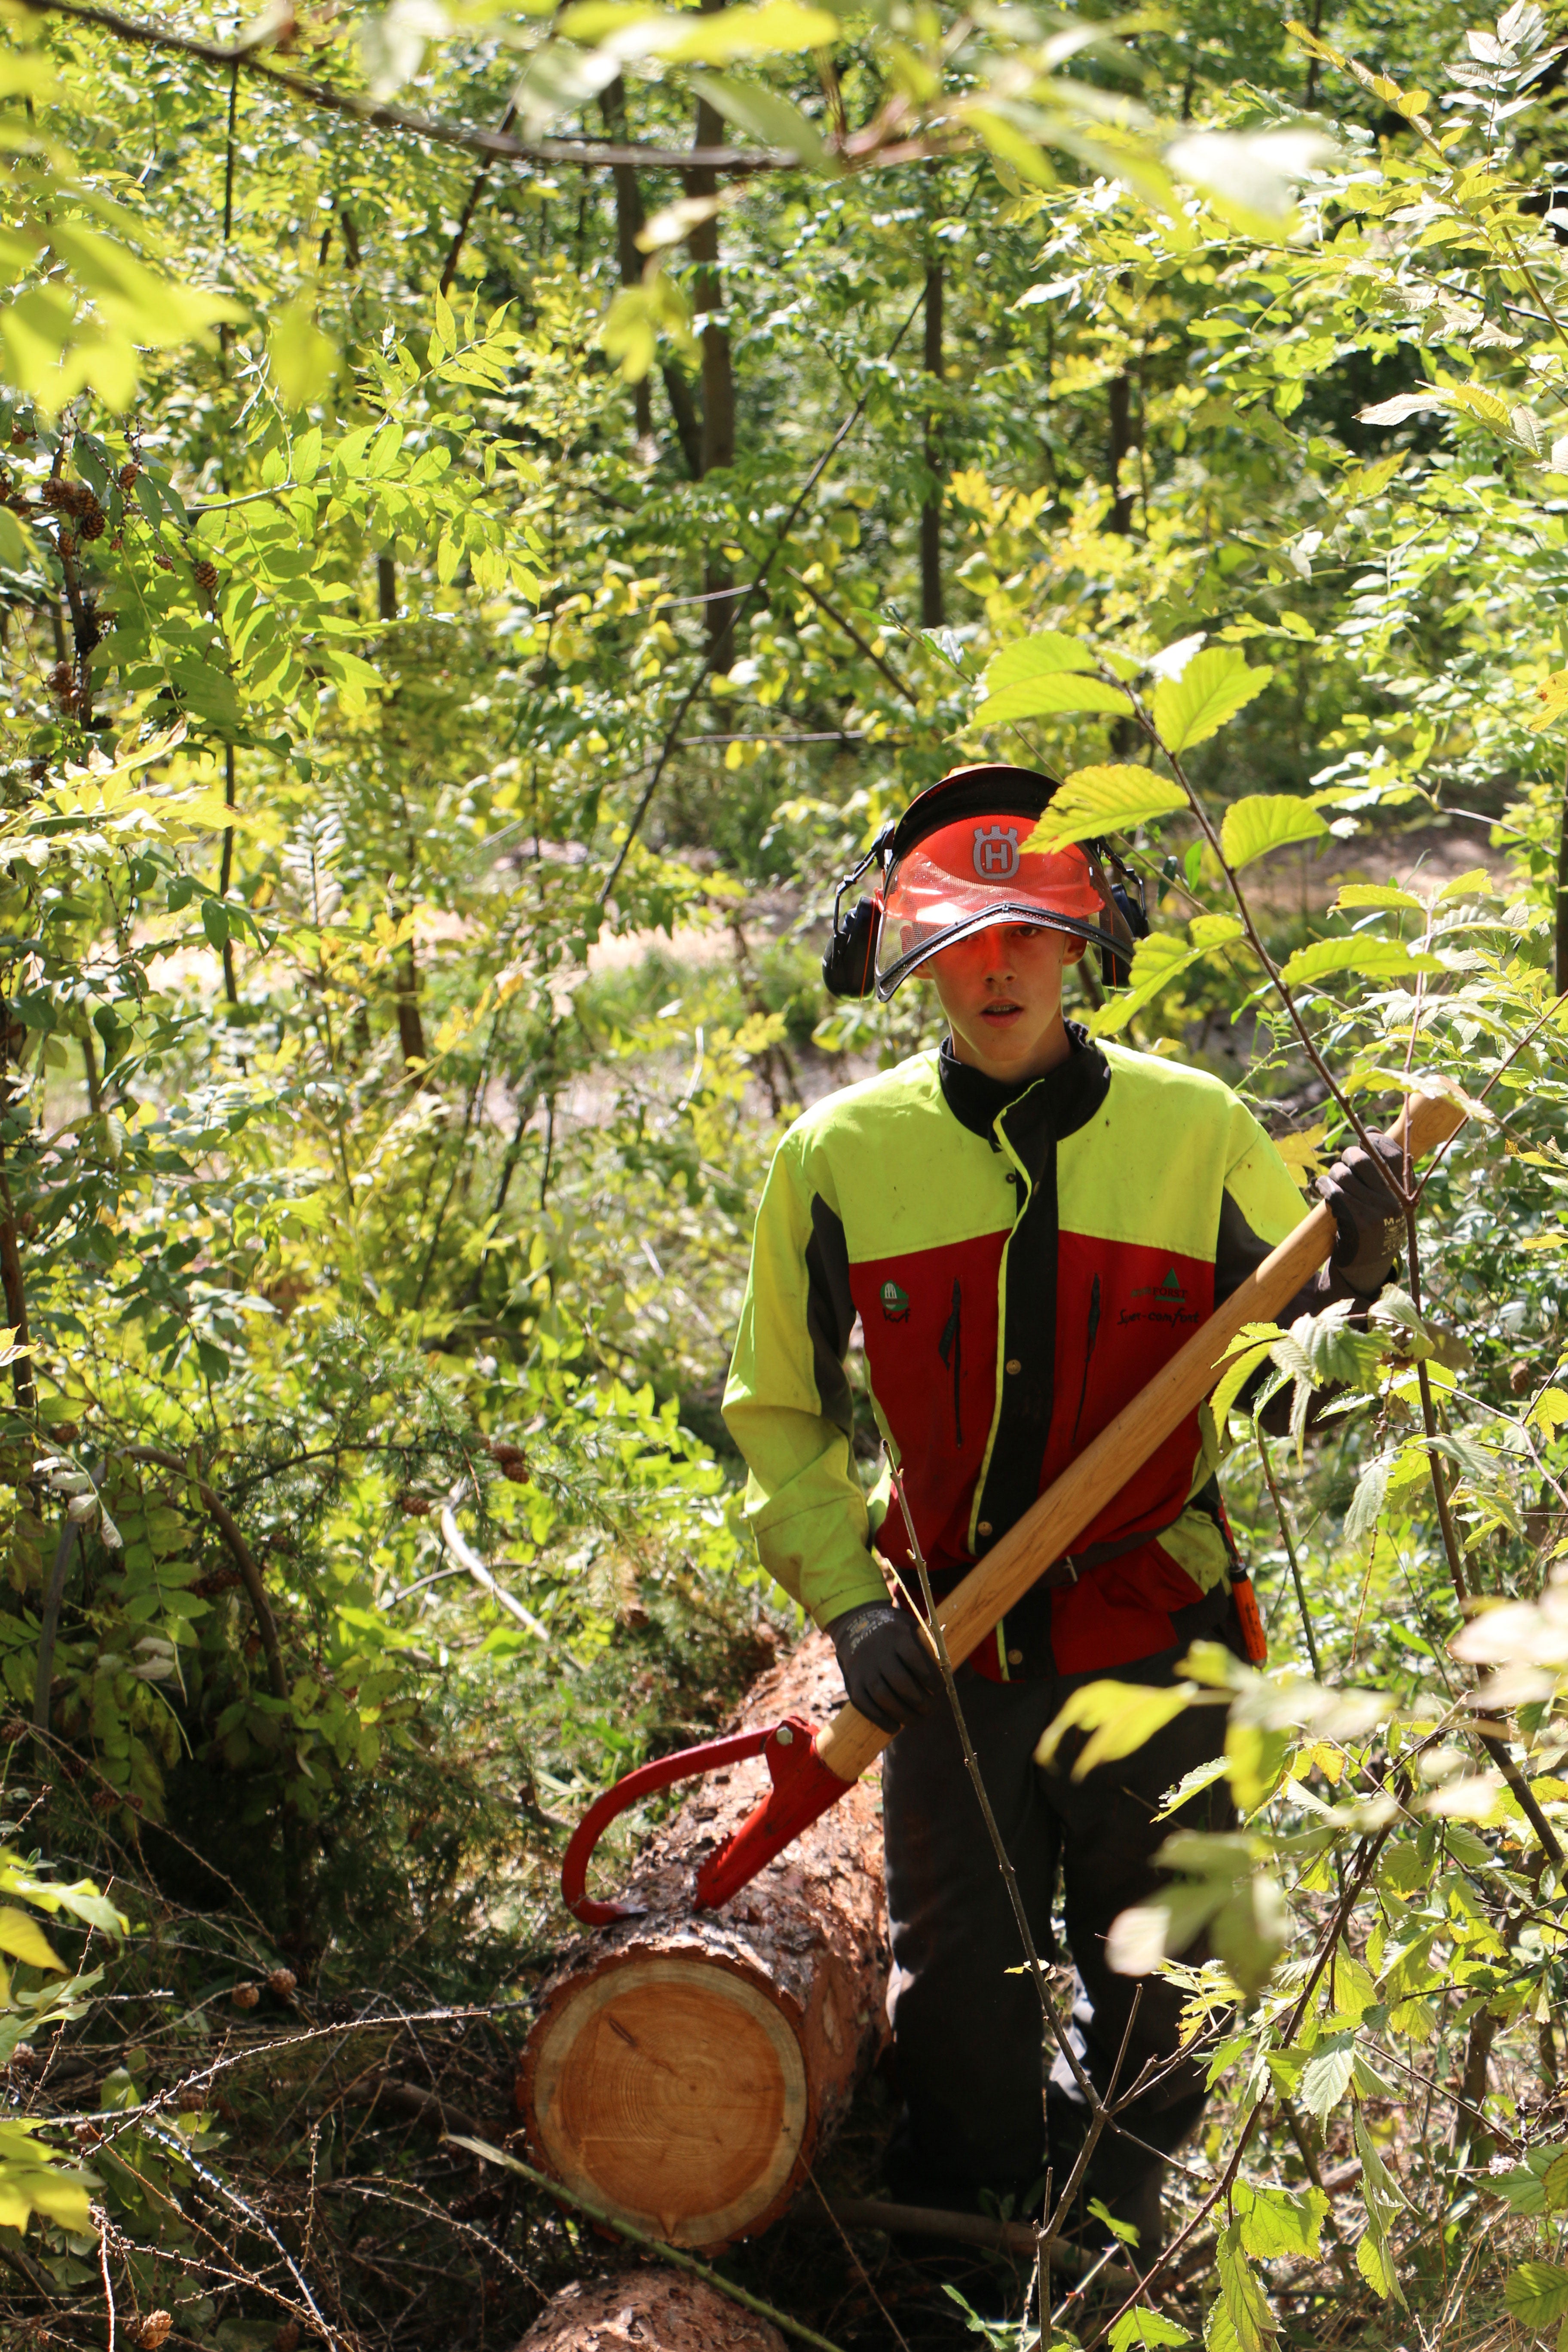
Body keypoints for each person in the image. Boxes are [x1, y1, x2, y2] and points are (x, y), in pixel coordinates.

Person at [721, 764, 1405, 2255]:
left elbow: (1294, 1399)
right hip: (947, 1649)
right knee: (958, 2003)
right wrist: (851, 1611)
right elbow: (781, 1414)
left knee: (1178, 1976)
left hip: (1156, 1629)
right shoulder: (836, 1161)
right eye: (966, 938)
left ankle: (1108, 2251)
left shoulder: (1196, 1128)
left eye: (1031, 931)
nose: (1000, 966)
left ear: (1088, 939)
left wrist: (1353, 1279)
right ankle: (973, 2261)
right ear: (907, 952)